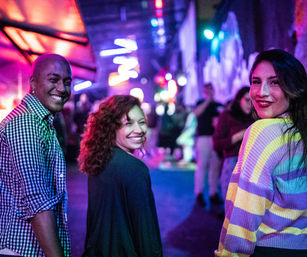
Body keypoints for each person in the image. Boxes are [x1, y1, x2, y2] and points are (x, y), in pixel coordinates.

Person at [215, 49, 307, 257]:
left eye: (274, 82)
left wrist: (230, 254)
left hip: (269, 248)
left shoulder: (264, 131)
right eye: (256, 81)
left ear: (294, 88)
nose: (260, 92)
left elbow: (246, 210)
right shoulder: (300, 130)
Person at [0, 54, 72, 256]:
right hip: (22, 250)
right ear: (33, 82)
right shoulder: (26, 124)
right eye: (53, 79)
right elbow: (37, 200)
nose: (62, 88)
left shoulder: (40, 122)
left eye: (67, 82)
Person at [78, 95, 163, 257]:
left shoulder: (98, 160)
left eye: (142, 122)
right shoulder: (135, 169)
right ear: (112, 127)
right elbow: (146, 234)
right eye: (128, 123)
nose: (139, 130)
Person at [213, 86, 254, 201]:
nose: (250, 104)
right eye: (247, 100)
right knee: (231, 203)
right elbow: (216, 144)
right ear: (238, 99)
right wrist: (237, 137)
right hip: (233, 162)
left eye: (252, 101)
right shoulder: (227, 115)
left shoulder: (254, 116)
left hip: (252, 163)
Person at [194, 83, 223, 206]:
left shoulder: (217, 105)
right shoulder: (200, 102)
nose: (209, 91)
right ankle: (199, 193)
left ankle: (213, 193)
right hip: (203, 138)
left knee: (215, 167)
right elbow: (196, 113)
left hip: (215, 138)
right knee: (202, 166)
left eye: (211, 89)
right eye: (206, 90)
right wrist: (207, 101)